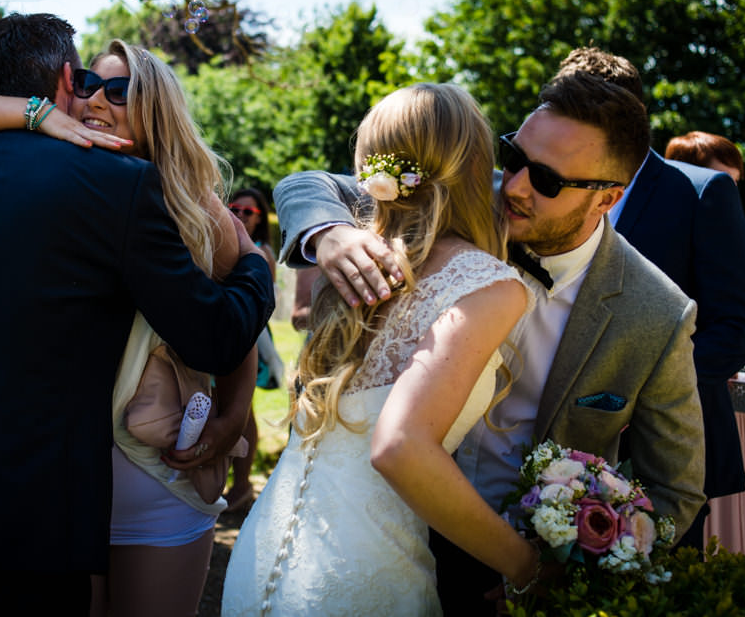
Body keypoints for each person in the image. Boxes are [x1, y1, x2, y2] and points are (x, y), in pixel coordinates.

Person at [0, 15, 275, 614]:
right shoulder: (110, 183)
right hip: (38, 523)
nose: (96, 98)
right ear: (68, 81)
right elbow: (214, 333)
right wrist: (258, 268)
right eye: (91, 81)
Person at [274, 71, 705, 612]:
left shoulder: (657, 314)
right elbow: (306, 186)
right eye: (514, 157)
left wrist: (578, 573)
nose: (516, 186)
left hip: (518, 566)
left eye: (547, 181)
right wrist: (327, 232)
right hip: (392, 532)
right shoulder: (466, 198)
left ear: (607, 199)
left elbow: (675, 490)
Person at [223, 82, 541, 616]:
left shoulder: (343, 266)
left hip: (263, 556)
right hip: (363, 576)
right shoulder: (487, 285)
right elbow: (401, 448)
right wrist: (528, 567)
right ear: (476, 163)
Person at [556, 48, 745, 551]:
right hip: (555, 453)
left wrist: (641, 394)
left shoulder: (701, 192)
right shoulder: (546, 186)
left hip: (662, 454)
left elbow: (735, 329)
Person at [664, 130, 745, 557]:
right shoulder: (671, 218)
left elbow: (740, 324)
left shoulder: (728, 227)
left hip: (732, 390)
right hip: (697, 396)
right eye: (722, 181)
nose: (729, 194)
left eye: (734, 184)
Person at [222, 187, 277, 514]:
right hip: (231, 325)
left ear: (260, 218)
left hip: (252, 334)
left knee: (244, 409)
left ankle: (242, 485)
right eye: (235, 209)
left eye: (249, 212)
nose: (241, 216)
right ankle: (233, 482)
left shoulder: (262, 253)